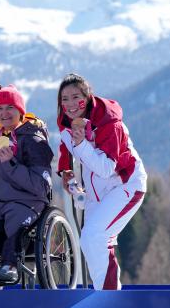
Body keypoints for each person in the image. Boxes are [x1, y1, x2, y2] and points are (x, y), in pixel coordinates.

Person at [57, 73, 147, 290]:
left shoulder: (109, 123)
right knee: (90, 242)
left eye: (75, 97)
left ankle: (108, 299)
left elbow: (107, 169)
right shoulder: (67, 124)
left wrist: (81, 145)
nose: (70, 104)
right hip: (96, 192)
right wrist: (65, 170)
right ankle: (108, 295)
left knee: (95, 236)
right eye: (64, 99)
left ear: (88, 98)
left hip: (126, 185)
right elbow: (65, 146)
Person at [0, 85, 53, 282]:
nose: (4, 113)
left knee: (15, 224)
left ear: (20, 111)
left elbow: (42, 186)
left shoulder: (33, 139)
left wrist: (11, 164)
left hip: (27, 202)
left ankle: (9, 265)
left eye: (10, 108)